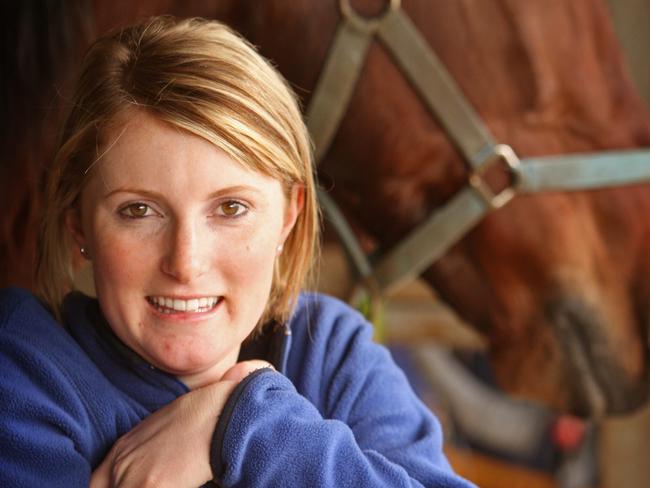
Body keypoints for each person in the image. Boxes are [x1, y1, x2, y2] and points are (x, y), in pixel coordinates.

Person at [0, 15, 476, 488]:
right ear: (77, 222)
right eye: (140, 210)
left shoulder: (330, 355)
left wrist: (242, 426)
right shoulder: (26, 373)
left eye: (230, 207)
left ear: (287, 217)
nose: (186, 263)